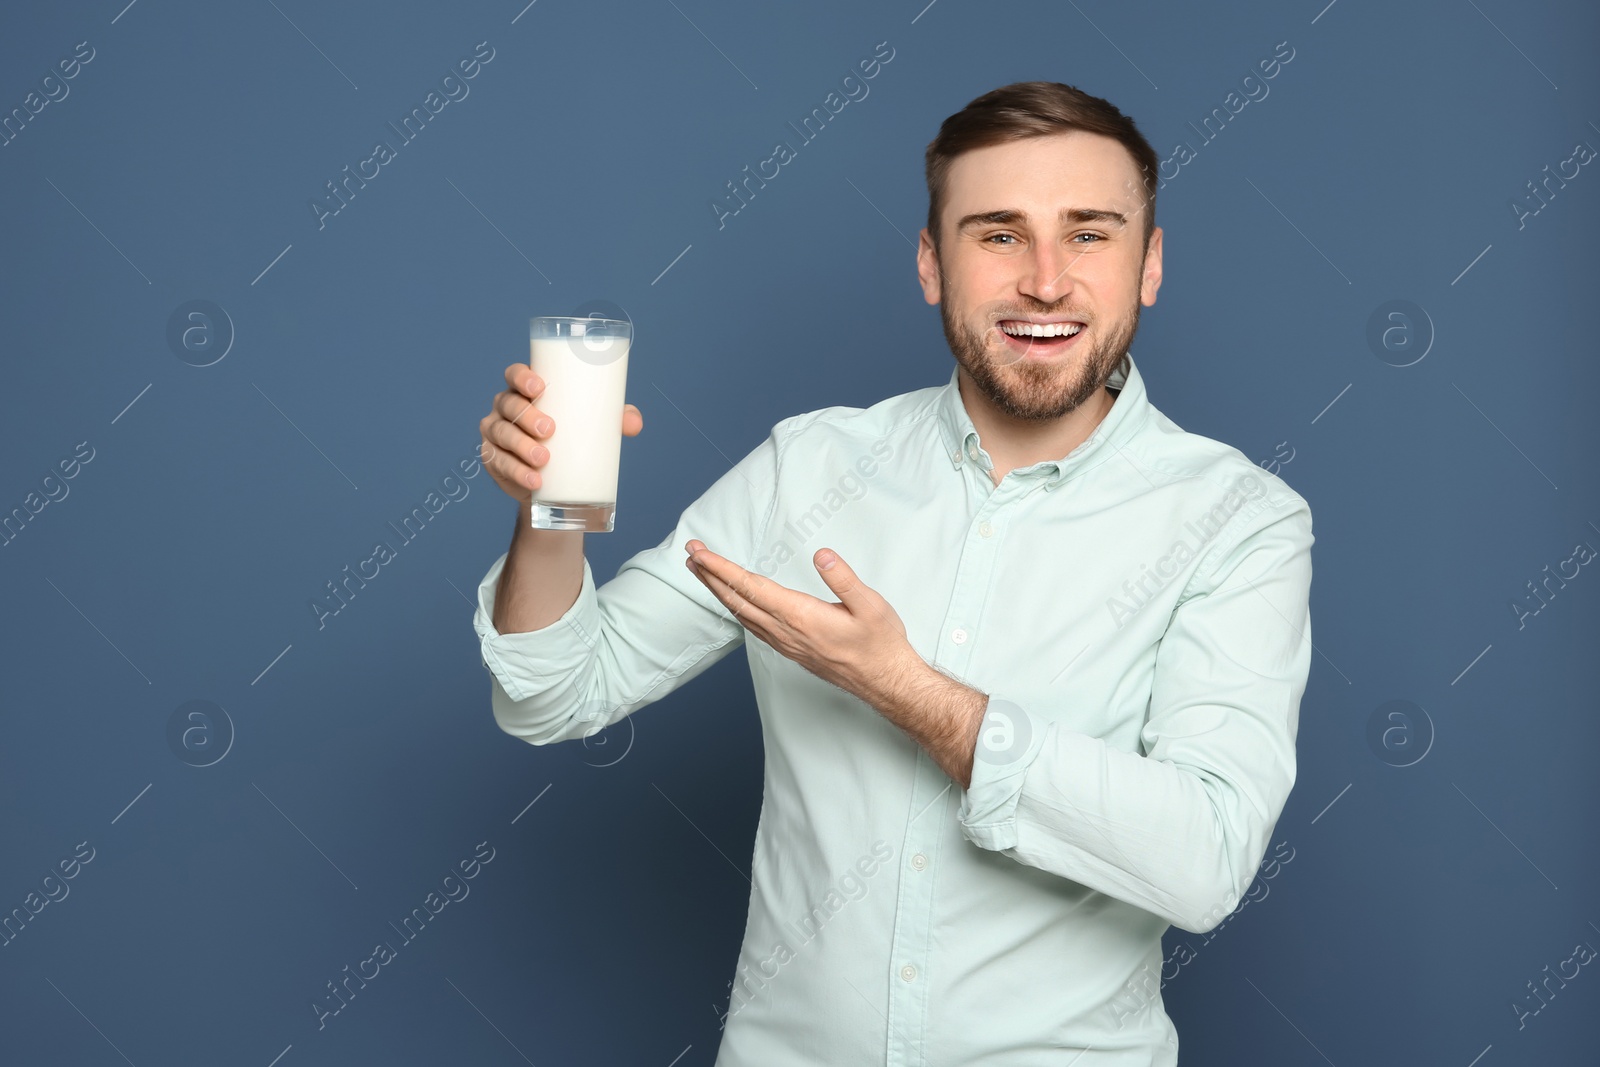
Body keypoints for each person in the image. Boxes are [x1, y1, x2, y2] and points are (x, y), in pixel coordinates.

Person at [472, 80, 1314, 1066]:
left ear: (1149, 264)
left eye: (1088, 234)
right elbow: (555, 691)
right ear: (930, 263)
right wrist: (549, 513)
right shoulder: (809, 471)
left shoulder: (1237, 520)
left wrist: (908, 690)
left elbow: (1203, 859)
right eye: (997, 234)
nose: (1045, 280)